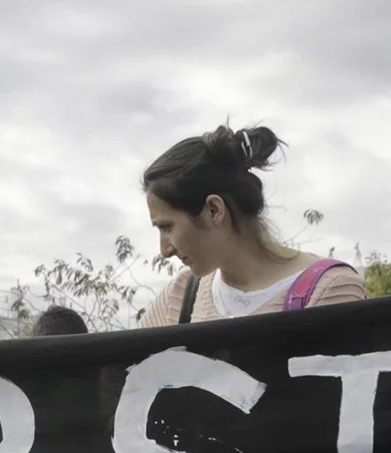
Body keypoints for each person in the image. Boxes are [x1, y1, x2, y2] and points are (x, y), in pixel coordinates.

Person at [137, 124, 367, 324]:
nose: (164, 251)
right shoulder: (181, 297)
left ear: (214, 210)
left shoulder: (330, 289)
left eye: (167, 227)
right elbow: (122, 373)